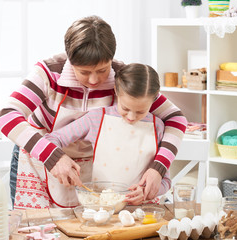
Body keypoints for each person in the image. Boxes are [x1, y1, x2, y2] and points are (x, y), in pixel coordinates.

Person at [0, 15, 187, 209]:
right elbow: (6, 116)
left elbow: (176, 120)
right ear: (70, 60)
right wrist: (53, 156)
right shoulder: (49, 73)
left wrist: (158, 168)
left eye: (102, 70)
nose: (94, 80)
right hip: (42, 160)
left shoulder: (122, 77)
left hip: (94, 169)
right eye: (84, 72)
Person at [44, 63, 170, 205]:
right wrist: (60, 159)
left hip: (143, 211)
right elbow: (52, 138)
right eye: (125, 108)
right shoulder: (97, 118)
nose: (131, 117)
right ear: (116, 91)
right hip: (101, 209)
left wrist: (147, 192)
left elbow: (166, 180)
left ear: (153, 100)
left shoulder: (158, 127)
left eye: (141, 111)